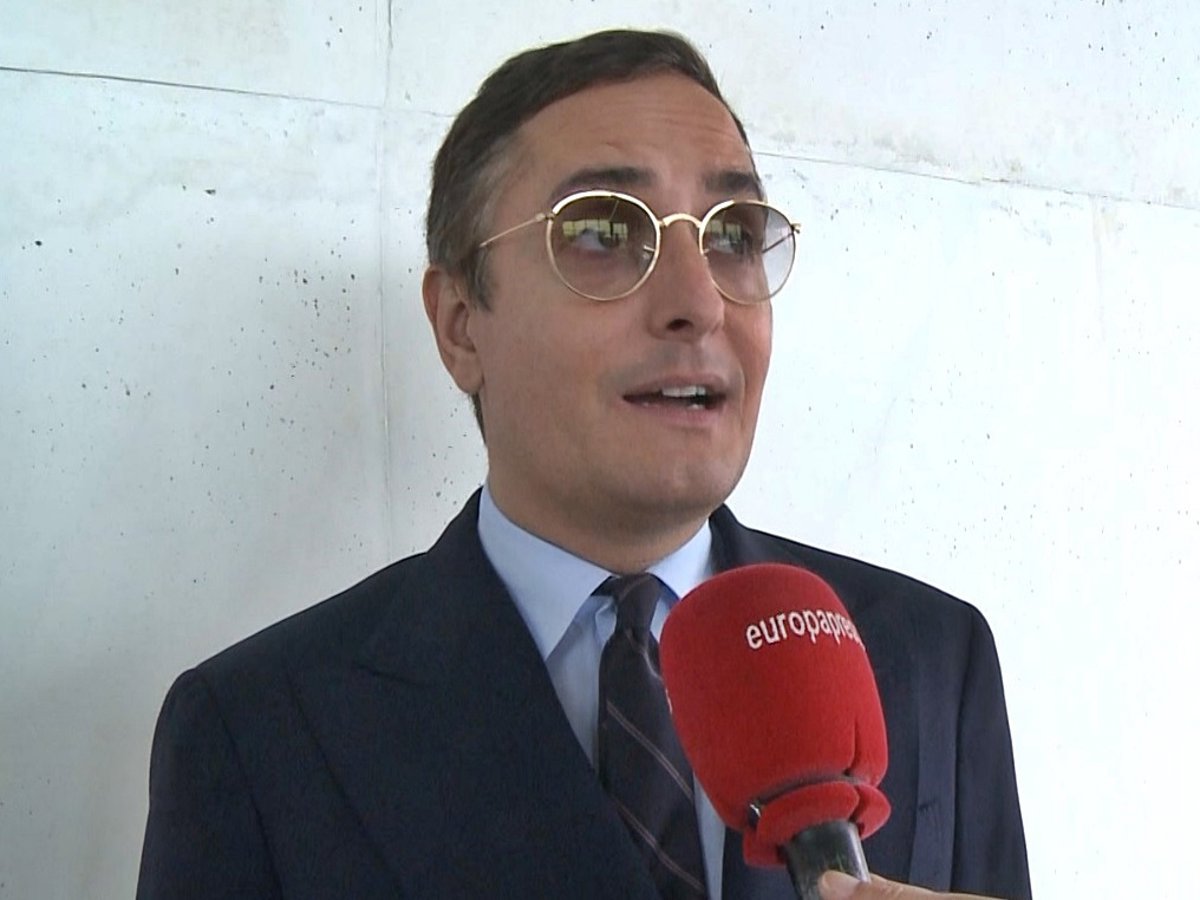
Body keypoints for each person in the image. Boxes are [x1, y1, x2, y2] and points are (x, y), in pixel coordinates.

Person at [136, 29, 1031, 900]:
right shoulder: (261, 728)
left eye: (732, 235)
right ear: (460, 325)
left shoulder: (927, 660)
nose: (698, 303)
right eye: (604, 232)